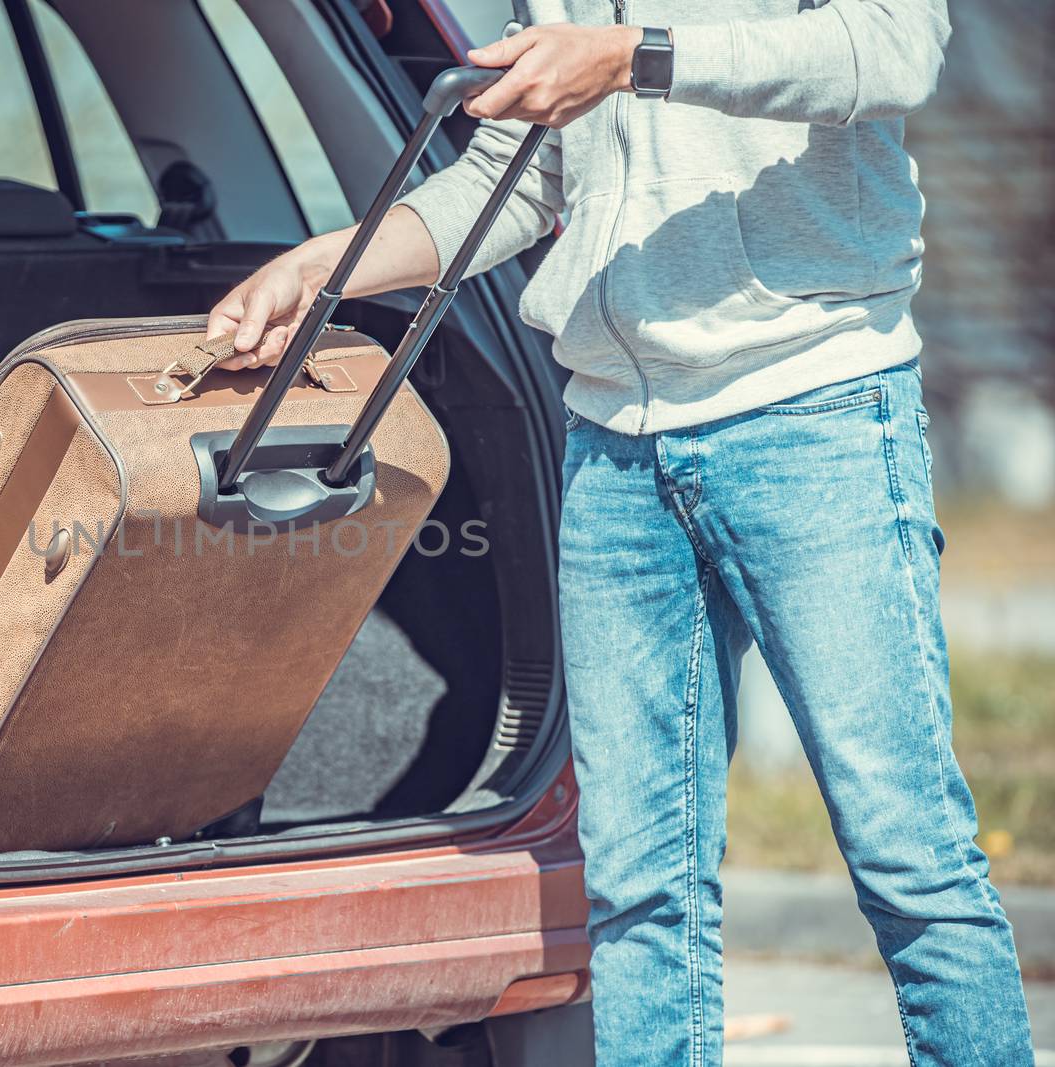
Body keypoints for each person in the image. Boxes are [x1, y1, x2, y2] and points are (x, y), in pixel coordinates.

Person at [206, 3, 1035, 1065]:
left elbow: (892, 49)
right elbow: (513, 178)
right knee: (638, 887)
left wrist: (634, 58)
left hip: (812, 411)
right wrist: (320, 269)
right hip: (614, 445)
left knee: (908, 857)